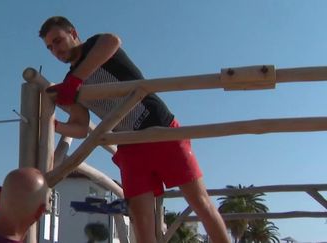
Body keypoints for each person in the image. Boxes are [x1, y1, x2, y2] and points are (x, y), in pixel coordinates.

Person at [39, 16, 230, 243]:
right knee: (141, 220)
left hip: (161, 129)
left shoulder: (96, 45)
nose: (55, 50)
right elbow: (81, 128)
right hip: (128, 145)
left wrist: (76, 80)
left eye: (58, 41)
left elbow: (113, 40)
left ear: (73, 32)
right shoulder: (70, 81)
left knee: (200, 202)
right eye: (50, 47)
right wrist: (55, 125)